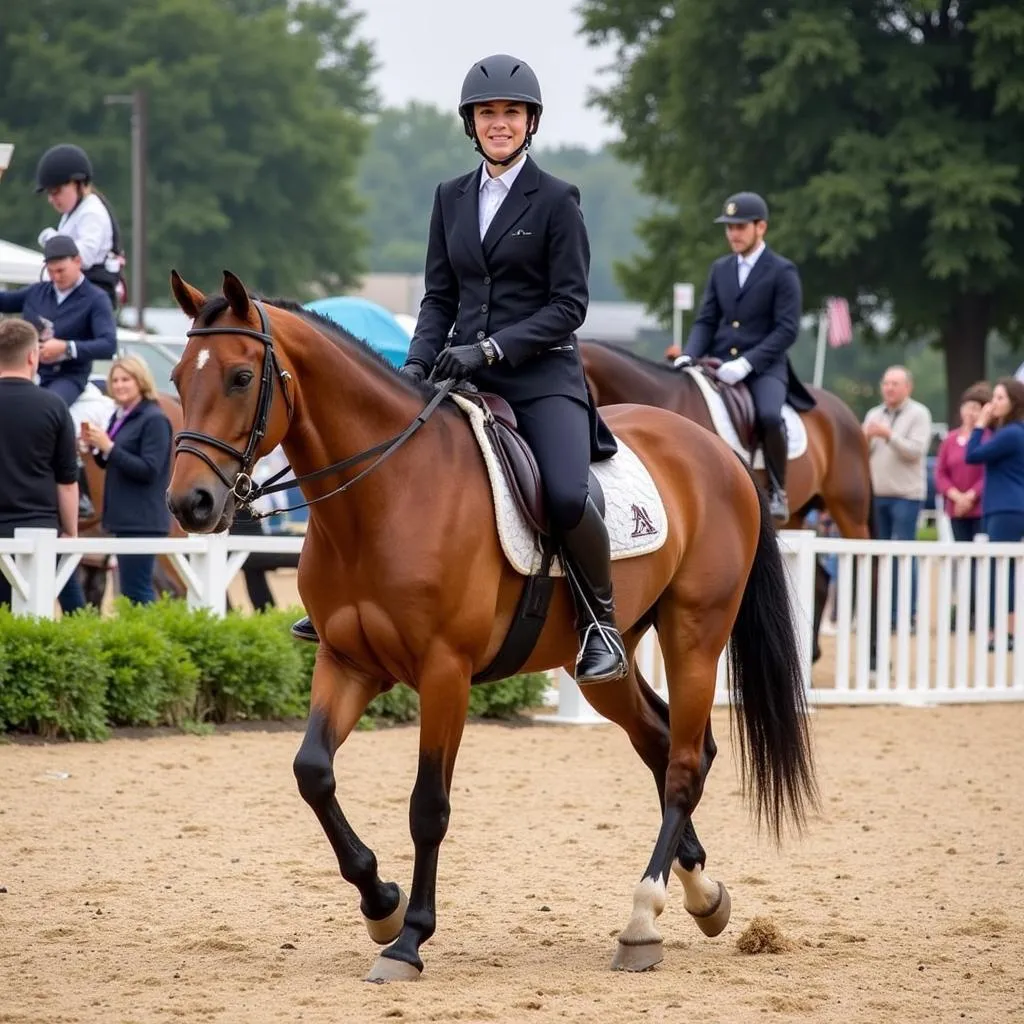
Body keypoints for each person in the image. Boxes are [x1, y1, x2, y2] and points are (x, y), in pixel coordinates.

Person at [291, 54, 626, 684]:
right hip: (460, 372)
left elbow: (569, 306)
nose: (499, 123)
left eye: (511, 113)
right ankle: (340, 597)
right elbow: (440, 297)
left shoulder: (556, 199)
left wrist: (494, 349)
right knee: (379, 459)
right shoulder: (450, 198)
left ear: (530, 122)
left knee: (562, 493)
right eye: (488, 114)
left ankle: (599, 622)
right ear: (472, 124)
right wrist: (414, 366)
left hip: (541, 375)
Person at [675, 192, 813, 522]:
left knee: (767, 415)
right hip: (718, 362)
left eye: (740, 227)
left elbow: (787, 329)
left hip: (765, 366)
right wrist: (688, 354)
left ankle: (778, 489)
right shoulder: (720, 269)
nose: (733, 234)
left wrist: (747, 363)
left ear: (760, 227)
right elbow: (707, 319)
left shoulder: (782, 271)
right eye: (729, 228)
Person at [0, 319, 86, 613]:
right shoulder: (54, 406)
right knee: (29, 623)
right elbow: (67, 480)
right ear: (31, 356)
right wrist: (71, 532)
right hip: (37, 529)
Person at [81, 356, 173, 604]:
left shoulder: (154, 419)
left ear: (140, 381)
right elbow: (113, 461)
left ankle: (145, 639)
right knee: (131, 589)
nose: (119, 385)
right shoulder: (120, 416)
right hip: (126, 519)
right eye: (116, 380)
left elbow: (149, 469)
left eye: (126, 380)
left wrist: (109, 447)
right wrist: (97, 449)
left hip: (142, 520)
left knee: (138, 589)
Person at [0, 234, 117, 407]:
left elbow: (108, 344)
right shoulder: (36, 292)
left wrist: (66, 347)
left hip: (68, 376)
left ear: (77, 261)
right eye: (50, 271)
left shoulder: (96, 299)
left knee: (47, 407)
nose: (55, 277)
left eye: (61, 270)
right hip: (28, 370)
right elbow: (4, 301)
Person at [965, 377, 1024, 650]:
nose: (993, 403)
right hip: (1009, 506)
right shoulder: (1014, 432)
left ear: (1014, 403)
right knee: (1007, 569)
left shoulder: (1011, 433)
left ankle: (1002, 631)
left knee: (1001, 570)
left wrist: (979, 424)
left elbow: (973, 455)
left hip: (1005, 507)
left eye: (1000, 398)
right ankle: (1004, 630)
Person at [35, 143, 125, 310]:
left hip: (94, 296)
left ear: (78, 183)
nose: (51, 199)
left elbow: (84, 257)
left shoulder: (92, 212)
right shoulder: (73, 212)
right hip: (79, 294)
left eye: (56, 191)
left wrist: (53, 240)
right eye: (49, 193)